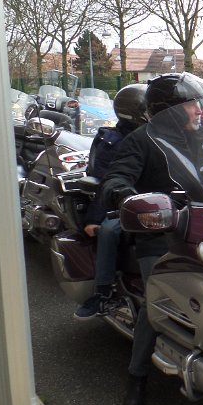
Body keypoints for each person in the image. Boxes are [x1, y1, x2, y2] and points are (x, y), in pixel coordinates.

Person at [100, 72, 203, 405]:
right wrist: (126, 195)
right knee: (160, 303)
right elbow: (116, 177)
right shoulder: (142, 140)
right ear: (172, 110)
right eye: (193, 105)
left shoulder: (202, 137)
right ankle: (137, 377)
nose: (199, 110)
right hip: (159, 234)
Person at [73, 83, 148, 320]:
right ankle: (102, 292)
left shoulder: (157, 135)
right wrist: (95, 218)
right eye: (147, 109)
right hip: (123, 202)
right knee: (108, 230)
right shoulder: (112, 142)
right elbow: (105, 182)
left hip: (158, 198)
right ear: (133, 113)